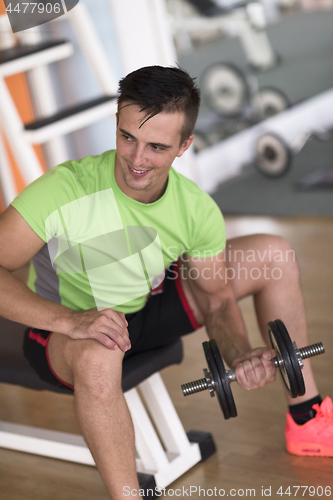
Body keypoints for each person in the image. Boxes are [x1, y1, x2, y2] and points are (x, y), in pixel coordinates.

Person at [0, 65, 331, 499]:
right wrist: (70, 320)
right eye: (127, 137)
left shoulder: (194, 209)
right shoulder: (64, 190)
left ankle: (306, 417)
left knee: (273, 251)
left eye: (157, 146)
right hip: (68, 331)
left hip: (145, 309)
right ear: (117, 123)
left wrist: (240, 354)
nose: (137, 160)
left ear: (184, 145)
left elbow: (215, 300)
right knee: (99, 355)